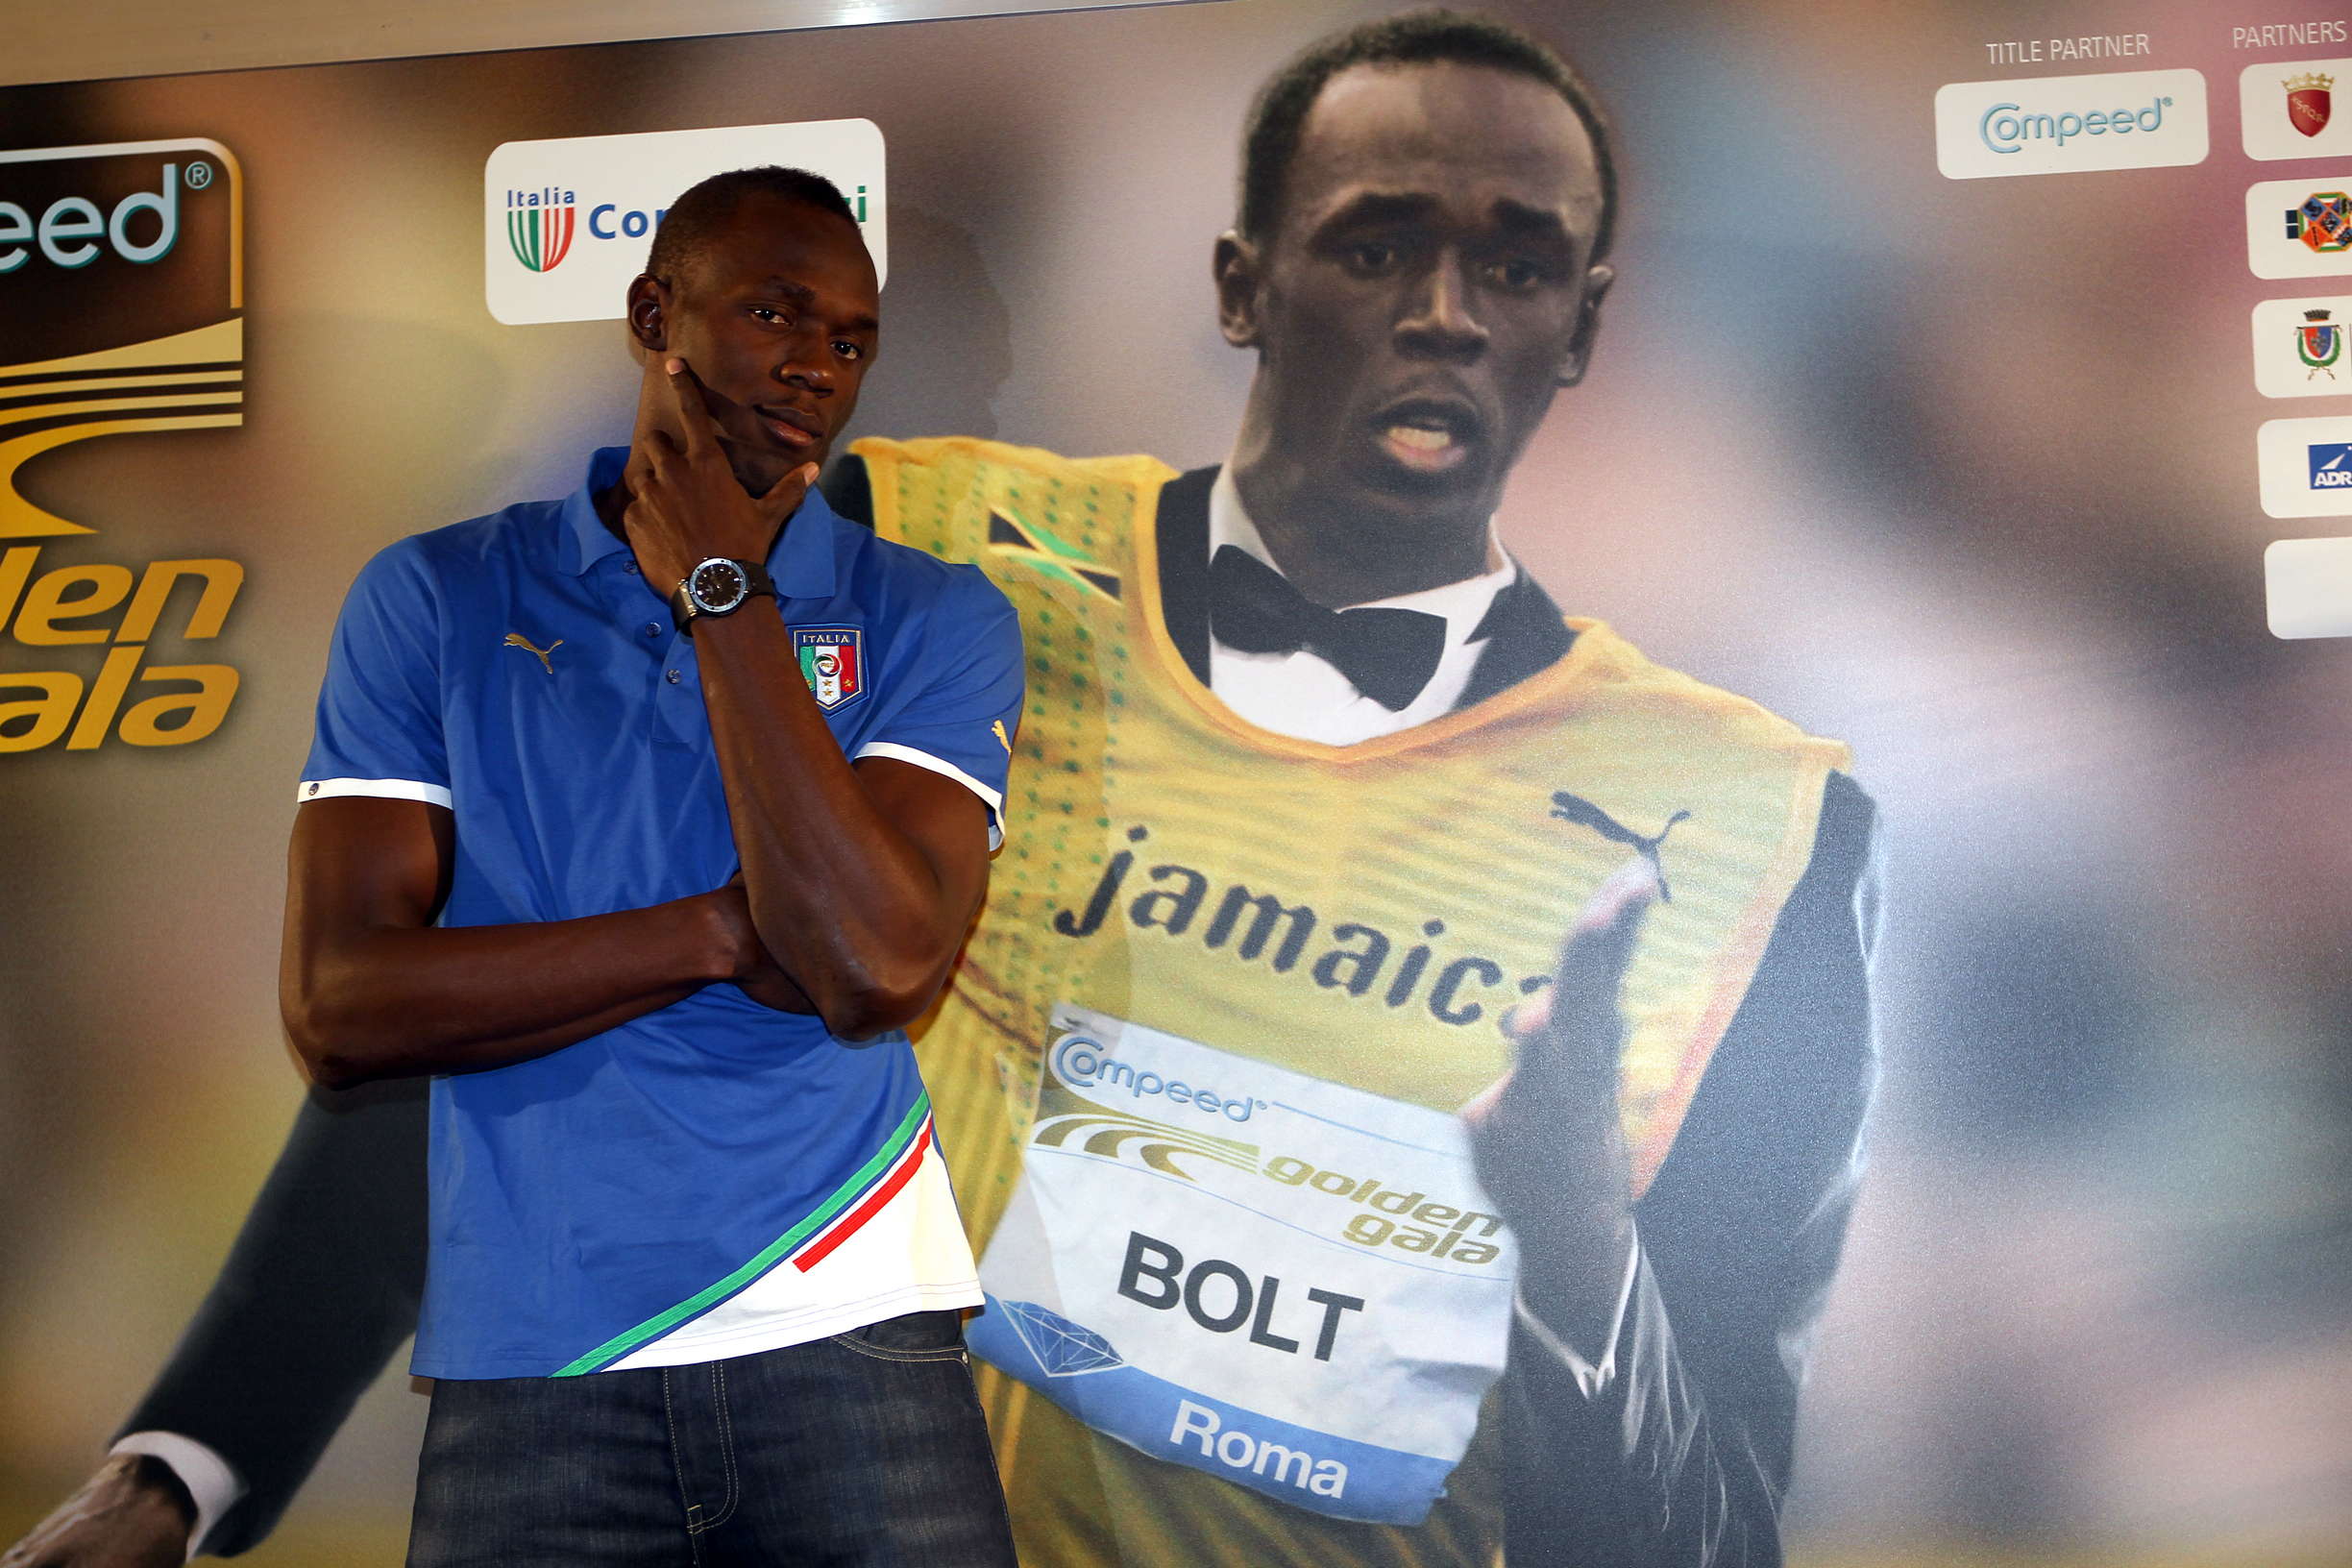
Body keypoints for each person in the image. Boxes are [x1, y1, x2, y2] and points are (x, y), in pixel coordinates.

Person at [6, 12, 1874, 1568]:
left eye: (1518, 266)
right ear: (1243, 281)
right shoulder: (909, 570)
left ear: (1592, 324)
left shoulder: (1758, 820)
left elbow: (1719, 1508)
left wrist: (1571, 1259)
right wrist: (193, 1460)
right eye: (1376, 247)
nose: (1444, 317)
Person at [10, 165, 1026, 1568]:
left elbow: (869, 961)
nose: (816, 368)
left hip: (857, 1333)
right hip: (531, 1367)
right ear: (654, 319)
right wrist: (726, 931)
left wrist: (722, 590)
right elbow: (362, 1015)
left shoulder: (941, 614)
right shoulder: (447, 592)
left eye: (852, 341)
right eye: (775, 314)